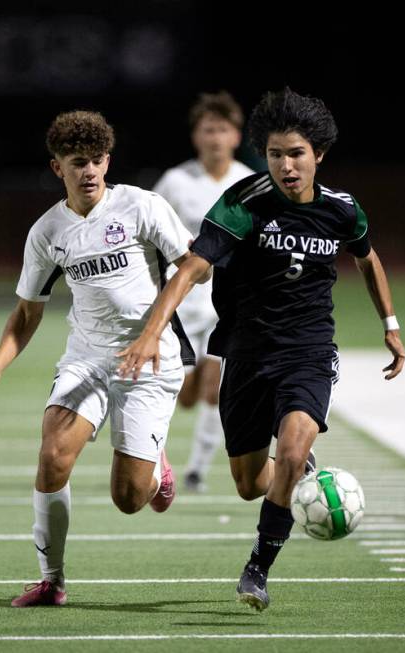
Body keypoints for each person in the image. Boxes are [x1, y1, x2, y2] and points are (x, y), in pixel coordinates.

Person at [117, 88, 405, 611]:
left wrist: (390, 323)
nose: (286, 165)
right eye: (275, 154)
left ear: (318, 154)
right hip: (246, 353)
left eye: (296, 153)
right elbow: (192, 267)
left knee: (292, 450)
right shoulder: (244, 202)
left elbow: (368, 259)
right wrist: (150, 329)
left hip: (309, 352)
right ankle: (295, 474)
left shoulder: (342, 210)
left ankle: (258, 569)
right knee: (251, 483)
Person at [0, 110, 206, 607]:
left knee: (129, 499)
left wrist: (151, 333)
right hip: (87, 360)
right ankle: (52, 580)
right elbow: (27, 313)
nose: (89, 171)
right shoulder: (47, 232)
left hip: (151, 364)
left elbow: (195, 267)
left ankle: (155, 466)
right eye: (78, 163)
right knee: (52, 456)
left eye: (96, 161)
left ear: (108, 161)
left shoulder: (141, 206)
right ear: (58, 168)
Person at [152, 91, 254, 492]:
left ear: (236, 135)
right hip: (183, 302)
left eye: (223, 129)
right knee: (187, 394)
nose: (215, 137)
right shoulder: (176, 182)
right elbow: (152, 234)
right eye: (208, 129)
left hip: (227, 303)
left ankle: (196, 469)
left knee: (217, 385)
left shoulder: (248, 181)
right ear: (196, 136)